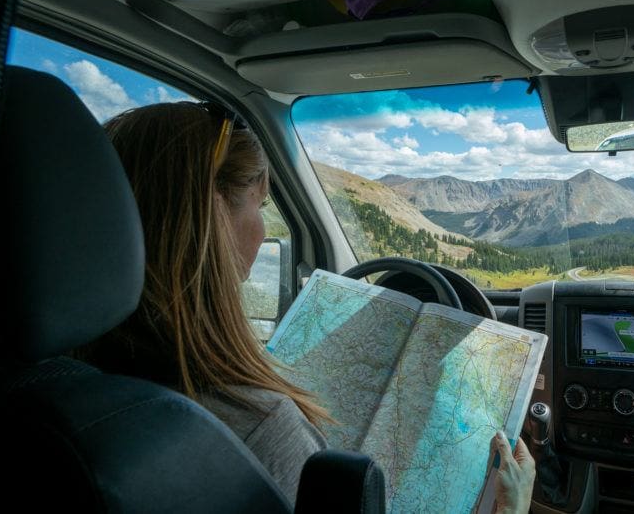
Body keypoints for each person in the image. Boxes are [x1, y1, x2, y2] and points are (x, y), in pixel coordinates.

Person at [76, 101, 535, 512]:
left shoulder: (58, 384)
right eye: (259, 205)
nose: (260, 231)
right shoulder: (260, 430)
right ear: (213, 217)